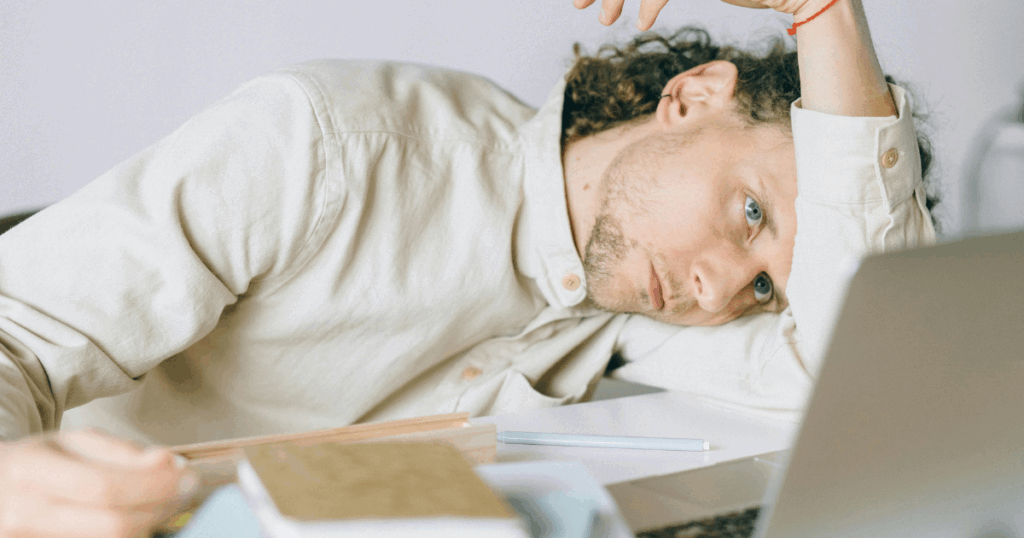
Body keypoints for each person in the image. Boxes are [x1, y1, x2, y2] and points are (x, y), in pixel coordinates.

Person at [0, 0, 935, 535]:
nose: (725, 289)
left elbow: (868, 382)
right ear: (690, 98)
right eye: (752, 213)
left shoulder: (623, 309)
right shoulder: (329, 144)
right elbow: (17, 334)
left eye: (768, 283)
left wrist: (828, 19)